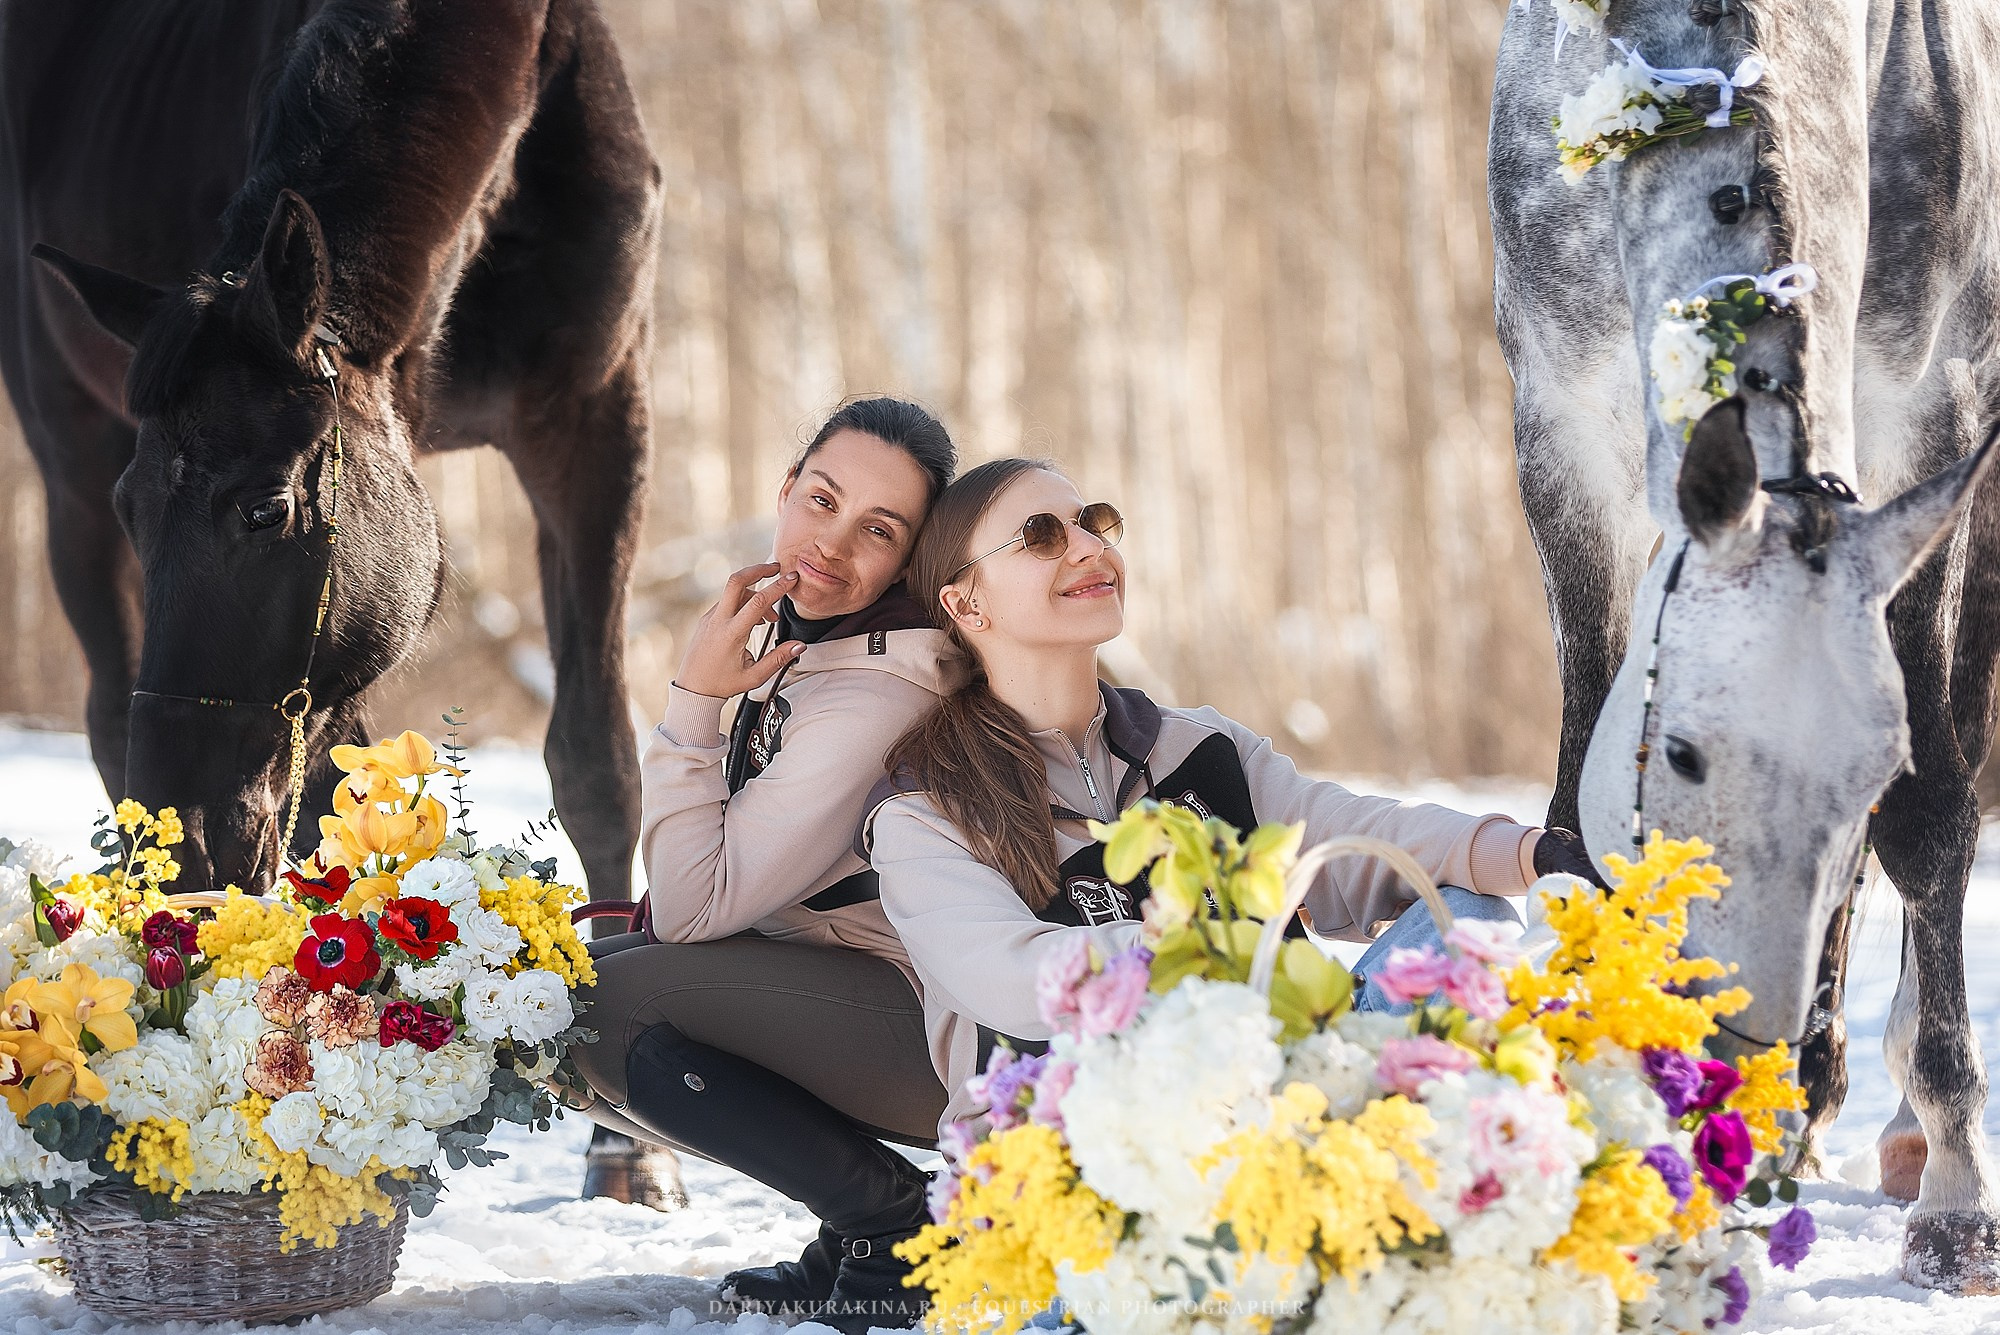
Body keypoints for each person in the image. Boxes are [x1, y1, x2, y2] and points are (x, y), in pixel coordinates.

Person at [863, 457, 1600, 1140]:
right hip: (1089, 1164)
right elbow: (1014, 976)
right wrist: (1218, 954)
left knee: (1468, 921)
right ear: (965, 603)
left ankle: (1400, 1178)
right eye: (1041, 535)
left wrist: (1535, 854)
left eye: (1093, 521)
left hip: (1279, 1102)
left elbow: (1349, 836)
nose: (1087, 546)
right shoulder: (925, 810)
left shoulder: (1196, 747)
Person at [570, 398, 962, 1328]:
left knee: (594, 1009)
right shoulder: (817, 642)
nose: (832, 544)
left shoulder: (877, 692)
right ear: (785, 491)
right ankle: (859, 1217)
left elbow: (697, 906)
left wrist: (695, 701)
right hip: (856, 985)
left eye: (878, 530)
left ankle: (897, 1227)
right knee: (568, 985)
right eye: (821, 500)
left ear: (909, 561)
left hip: (935, 1033)